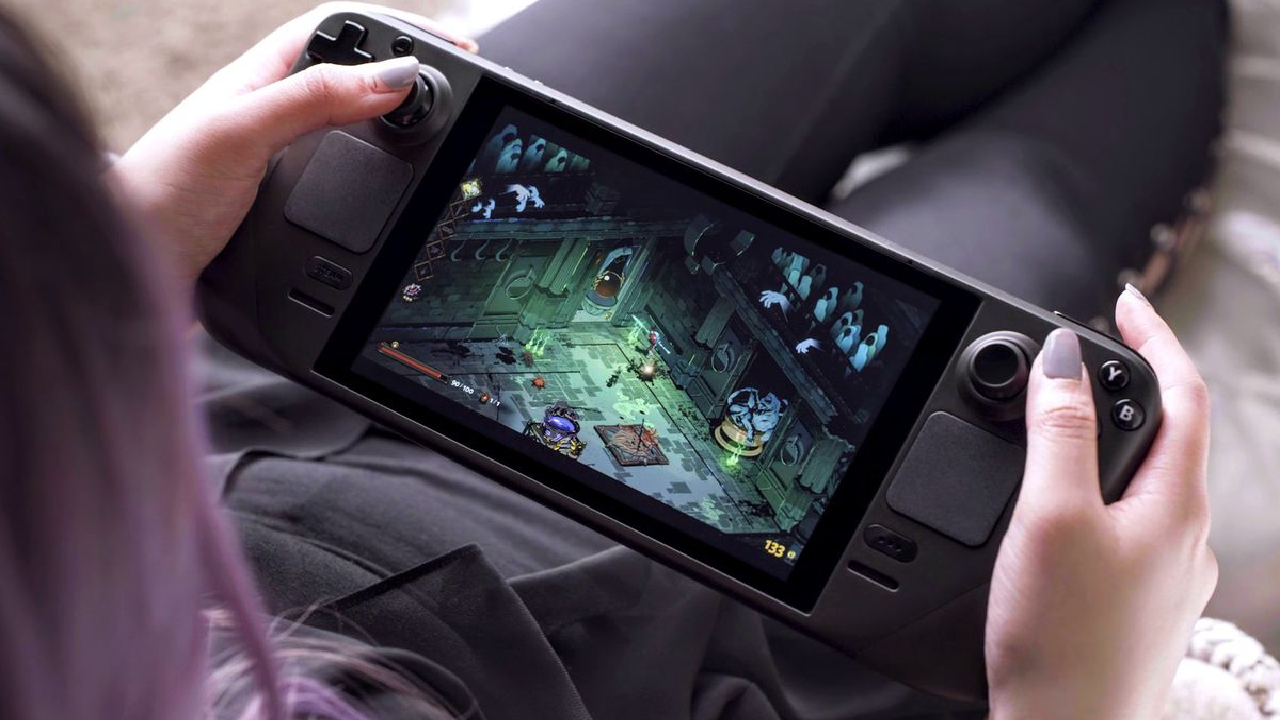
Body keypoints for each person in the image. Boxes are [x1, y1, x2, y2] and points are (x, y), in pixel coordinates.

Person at [0, 2, 1221, 719]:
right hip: (656, 655)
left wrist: (104, 280)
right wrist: (1071, 702)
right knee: (1085, 128)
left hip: (222, 407)